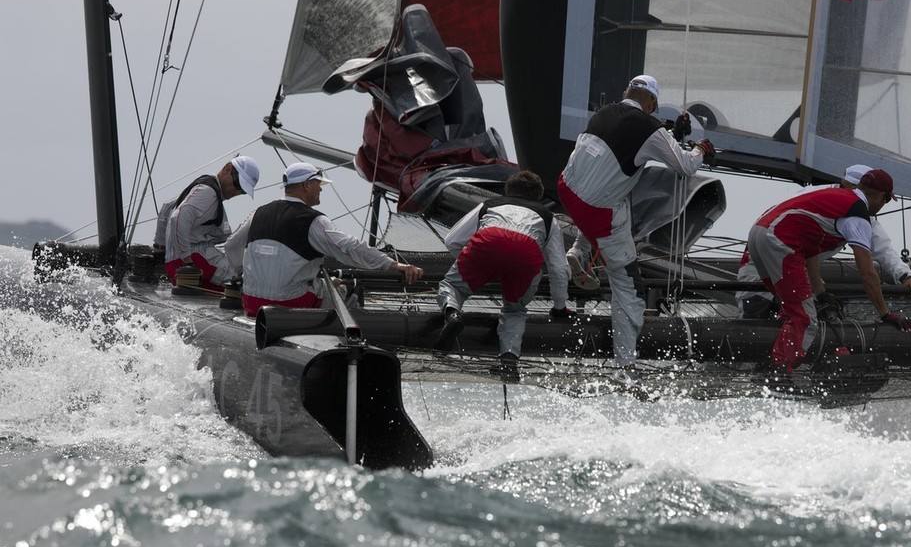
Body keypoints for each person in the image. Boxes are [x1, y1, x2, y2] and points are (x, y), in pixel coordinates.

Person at [556, 74, 715, 388]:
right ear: (652, 103)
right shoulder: (650, 129)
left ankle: (578, 251)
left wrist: (668, 132)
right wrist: (700, 149)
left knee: (618, 189)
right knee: (629, 287)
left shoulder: (603, 114)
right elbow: (684, 165)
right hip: (598, 210)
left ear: (626, 92)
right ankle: (626, 368)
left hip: (567, 191)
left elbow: (633, 138)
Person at [746, 168, 911, 376]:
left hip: (758, 235)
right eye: (886, 201)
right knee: (805, 318)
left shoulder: (834, 197)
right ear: (882, 196)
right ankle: (776, 375)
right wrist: (885, 313)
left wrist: (821, 292)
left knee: (790, 308)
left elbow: (810, 252)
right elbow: (867, 271)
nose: (882, 206)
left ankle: (767, 367)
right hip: (779, 240)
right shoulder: (857, 213)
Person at [222, 162, 423, 316]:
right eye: (318, 184)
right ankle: (350, 350)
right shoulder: (313, 220)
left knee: (321, 283)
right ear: (307, 185)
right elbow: (349, 247)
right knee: (350, 291)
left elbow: (231, 245)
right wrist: (394, 265)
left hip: (251, 301)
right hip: (291, 303)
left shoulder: (258, 212)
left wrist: (244, 272)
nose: (321, 189)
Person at [736, 164, 911, 319]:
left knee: (816, 319)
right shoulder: (817, 198)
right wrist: (884, 314)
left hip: (798, 269)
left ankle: (777, 365)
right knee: (759, 319)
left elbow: (884, 250)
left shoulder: (862, 215)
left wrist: (905, 276)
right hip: (761, 267)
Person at [435, 170, 573, 381]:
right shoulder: (548, 217)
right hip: (526, 256)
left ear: (509, 190)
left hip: (488, 242)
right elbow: (558, 268)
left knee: (451, 287)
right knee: (515, 310)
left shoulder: (490, 204)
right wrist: (559, 306)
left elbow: (452, 240)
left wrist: (481, 268)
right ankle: (509, 361)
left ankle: (452, 314)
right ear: (539, 195)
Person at [159, 155, 260, 291]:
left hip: (178, 262)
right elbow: (179, 216)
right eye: (237, 185)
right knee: (250, 284)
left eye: (243, 191)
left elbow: (168, 207)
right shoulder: (209, 193)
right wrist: (187, 261)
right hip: (194, 262)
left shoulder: (203, 185)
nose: (237, 192)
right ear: (227, 168)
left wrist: (159, 247)